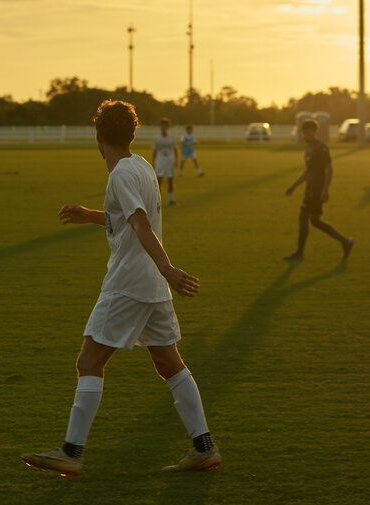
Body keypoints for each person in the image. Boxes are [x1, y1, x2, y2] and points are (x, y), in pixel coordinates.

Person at [20, 99, 220, 477]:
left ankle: (71, 452)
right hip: (151, 285)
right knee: (169, 364)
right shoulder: (141, 166)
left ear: (98, 138)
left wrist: (169, 268)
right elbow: (127, 218)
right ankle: (204, 447)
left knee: (89, 363)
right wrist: (90, 215)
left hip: (129, 283)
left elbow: (141, 222)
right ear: (133, 134)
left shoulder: (120, 175)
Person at [284, 118, 354, 261]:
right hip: (310, 188)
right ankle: (346, 242)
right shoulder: (309, 148)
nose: (305, 136)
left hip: (316, 189)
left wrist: (325, 190)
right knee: (314, 221)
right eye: (303, 133)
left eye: (308, 133)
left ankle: (300, 253)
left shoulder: (320, 148)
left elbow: (329, 169)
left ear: (315, 132)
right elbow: (307, 171)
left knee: (304, 216)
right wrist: (294, 185)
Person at [152, 117, 179, 205]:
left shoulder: (171, 138)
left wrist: (176, 160)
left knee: (170, 179)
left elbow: (175, 149)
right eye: (162, 126)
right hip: (160, 160)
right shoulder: (157, 138)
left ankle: (171, 199)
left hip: (169, 160)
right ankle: (157, 200)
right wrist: (153, 162)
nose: (163, 127)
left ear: (168, 127)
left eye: (165, 126)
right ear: (160, 127)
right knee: (159, 180)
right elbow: (155, 150)